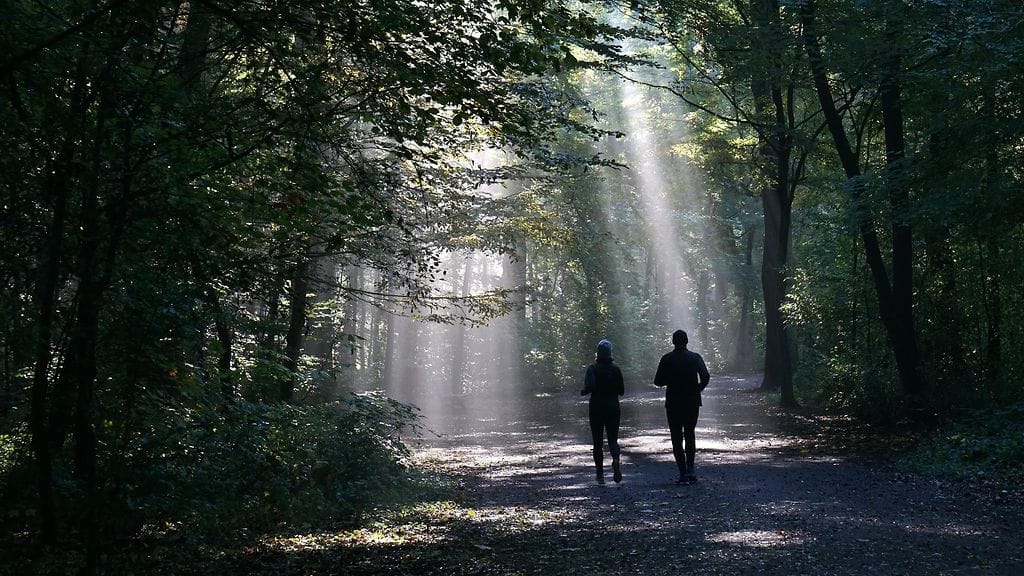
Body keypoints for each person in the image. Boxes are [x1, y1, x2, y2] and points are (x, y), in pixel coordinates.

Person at [654, 330, 710, 484]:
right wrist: (698, 389)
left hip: (673, 402)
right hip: (692, 401)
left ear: (673, 342)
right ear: (686, 341)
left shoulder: (666, 359)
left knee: (676, 437)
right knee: (690, 434)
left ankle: (682, 472)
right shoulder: (695, 357)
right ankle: (691, 469)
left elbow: (657, 381)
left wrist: (670, 379)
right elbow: (706, 376)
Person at [581, 339, 624, 484]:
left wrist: (584, 391)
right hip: (613, 407)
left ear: (598, 353)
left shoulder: (592, 369)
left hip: (597, 408)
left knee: (597, 442)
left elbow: (590, 387)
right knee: (613, 439)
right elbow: (622, 391)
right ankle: (616, 460)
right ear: (610, 353)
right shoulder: (616, 369)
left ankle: (600, 475)